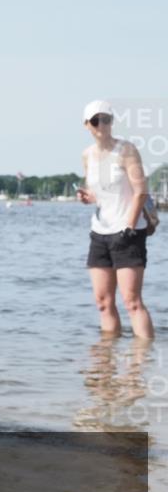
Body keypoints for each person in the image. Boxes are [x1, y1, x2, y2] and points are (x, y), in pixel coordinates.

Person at [77, 100, 154, 340]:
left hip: (128, 231)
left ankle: (143, 357)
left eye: (106, 119)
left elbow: (141, 191)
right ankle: (107, 355)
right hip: (100, 232)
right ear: (86, 125)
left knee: (132, 301)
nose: (101, 124)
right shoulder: (87, 155)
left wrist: (129, 227)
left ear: (112, 122)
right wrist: (88, 197)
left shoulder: (126, 150)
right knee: (103, 302)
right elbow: (100, 194)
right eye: (96, 120)